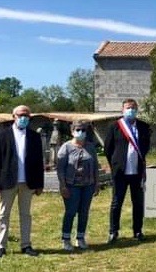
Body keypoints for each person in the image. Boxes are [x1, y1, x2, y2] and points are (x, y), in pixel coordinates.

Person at [0, 105, 44, 258]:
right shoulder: (0, 136)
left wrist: (40, 184)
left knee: (26, 214)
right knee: (3, 214)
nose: (24, 117)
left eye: (27, 115)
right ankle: (0, 246)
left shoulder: (34, 136)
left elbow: (39, 161)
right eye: (20, 115)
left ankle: (26, 245)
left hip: (28, 182)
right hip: (7, 182)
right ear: (13, 116)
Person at [104, 99, 151, 243]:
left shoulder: (143, 126)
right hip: (120, 172)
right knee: (117, 202)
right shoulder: (115, 126)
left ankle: (137, 231)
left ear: (137, 109)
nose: (130, 110)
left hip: (137, 171)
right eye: (128, 108)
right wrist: (115, 164)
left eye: (133, 108)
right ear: (122, 110)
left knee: (138, 202)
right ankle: (113, 231)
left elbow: (146, 146)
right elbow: (108, 149)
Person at [57, 119, 100, 251]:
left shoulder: (90, 147)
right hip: (71, 185)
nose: (80, 132)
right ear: (72, 131)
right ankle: (66, 239)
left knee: (84, 212)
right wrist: (63, 185)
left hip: (88, 185)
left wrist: (96, 183)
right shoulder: (66, 147)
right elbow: (60, 168)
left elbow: (95, 166)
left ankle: (80, 238)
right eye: (78, 130)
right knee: (70, 212)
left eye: (83, 130)